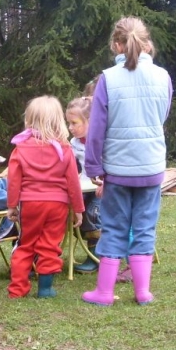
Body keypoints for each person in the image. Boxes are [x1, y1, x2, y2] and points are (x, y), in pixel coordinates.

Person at [82, 17, 172, 306]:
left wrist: (94, 166)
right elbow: (162, 117)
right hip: (151, 167)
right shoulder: (163, 76)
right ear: (147, 43)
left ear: (116, 45)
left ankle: (104, 293)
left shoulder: (108, 78)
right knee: (145, 227)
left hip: (118, 170)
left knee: (114, 228)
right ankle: (143, 292)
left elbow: (95, 129)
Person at [6, 96, 85, 299]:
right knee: (50, 245)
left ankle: (17, 289)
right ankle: (45, 289)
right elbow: (73, 183)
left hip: (30, 204)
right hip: (57, 205)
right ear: (58, 120)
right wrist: (78, 209)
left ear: (29, 120)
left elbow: (14, 181)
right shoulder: (65, 149)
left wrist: (12, 206)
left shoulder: (20, 148)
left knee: (26, 244)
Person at [65, 95, 101, 273]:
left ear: (90, 121)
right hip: (85, 186)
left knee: (92, 214)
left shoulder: (103, 139)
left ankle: (96, 256)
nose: (70, 128)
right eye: (68, 123)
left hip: (103, 188)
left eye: (74, 123)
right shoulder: (75, 142)